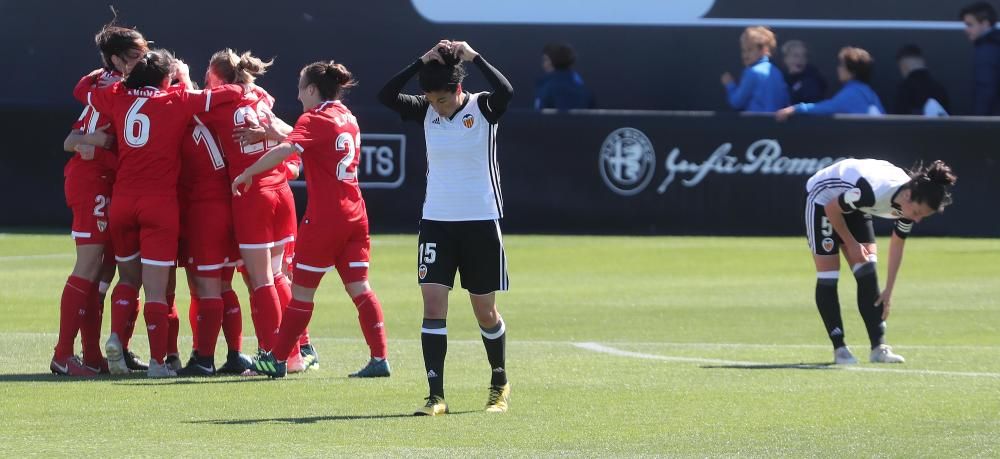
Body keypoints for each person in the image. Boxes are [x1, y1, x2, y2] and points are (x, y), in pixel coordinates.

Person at [78, 49, 242, 377]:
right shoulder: (176, 100)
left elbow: (86, 91)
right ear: (166, 78)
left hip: (123, 202)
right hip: (159, 205)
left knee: (127, 279)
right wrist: (183, 82)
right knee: (157, 289)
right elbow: (232, 92)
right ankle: (158, 362)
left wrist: (114, 72)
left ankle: (115, 339)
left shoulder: (118, 97)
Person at [378, 40, 513, 416]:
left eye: (442, 99)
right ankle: (435, 395)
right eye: (431, 100)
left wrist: (476, 57)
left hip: (480, 221)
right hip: (437, 222)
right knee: (433, 304)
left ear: (457, 90)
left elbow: (508, 91)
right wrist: (420, 61)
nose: (436, 106)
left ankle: (499, 383)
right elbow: (386, 94)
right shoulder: (425, 111)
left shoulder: (483, 106)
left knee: (485, 311)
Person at [233, 60, 391, 379]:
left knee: (301, 293)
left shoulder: (314, 117)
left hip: (325, 220)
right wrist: (272, 132)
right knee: (360, 288)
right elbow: (313, 141)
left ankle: (277, 359)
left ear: (311, 90)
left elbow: (288, 149)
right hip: (356, 215)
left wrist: (249, 171)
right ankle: (380, 358)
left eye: (300, 85)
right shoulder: (346, 116)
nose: (297, 93)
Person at [192, 50, 306, 373]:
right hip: (281, 189)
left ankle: (273, 354)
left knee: (261, 281)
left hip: (252, 193)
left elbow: (188, 106)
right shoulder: (260, 96)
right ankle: (294, 352)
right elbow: (294, 134)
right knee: (278, 273)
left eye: (208, 76)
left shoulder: (218, 104)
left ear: (219, 77)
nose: (205, 82)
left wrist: (185, 81)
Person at [54, 22, 150, 376]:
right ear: (116, 60)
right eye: (134, 56)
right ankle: (63, 354)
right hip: (91, 180)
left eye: (144, 53)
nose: (143, 60)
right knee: (91, 262)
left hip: (112, 183)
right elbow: (72, 139)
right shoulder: (111, 87)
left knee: (106, 270)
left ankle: (94, 355)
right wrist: (96, 142)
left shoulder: (104, 84)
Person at [803, 159, 956, 364]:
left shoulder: (909, 201)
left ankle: (879, 348)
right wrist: (852, 243)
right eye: (918, 213)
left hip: (855, 205)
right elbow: (832, 208)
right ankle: (840, 349)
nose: (917, 220)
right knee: (829, 275)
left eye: (922, 217)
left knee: (867, 271)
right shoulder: (873, 191)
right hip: (824, 198)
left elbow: (897, 244)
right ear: (908, 196)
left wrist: (888, 291)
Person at [776, 47, 884, 121]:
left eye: (842, 65)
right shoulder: (867, 91)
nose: (838, 69)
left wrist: (796, 109)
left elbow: (828, 107)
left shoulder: (853, 93)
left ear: (852, 71)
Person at [720, 26, 790, 112]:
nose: (745, 55)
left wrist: (730, 85)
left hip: (756, 123)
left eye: (750, 50)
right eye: (743, 50)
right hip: (777, 124)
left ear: (764, 50)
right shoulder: (777, 72)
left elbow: (737, 102)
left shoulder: (752, 72)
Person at [959, 2, 1000, 115]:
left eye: (970, 25)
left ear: (985, 24)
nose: (966, 30)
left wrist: (978, 121)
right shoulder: (993, 46)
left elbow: (986, 88)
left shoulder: (987, 50)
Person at [533, 42, 594, 111]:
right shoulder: (585, 90)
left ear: (551, 62)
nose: (544, 65)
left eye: (545, 60)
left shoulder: (545, 89)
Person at [893, 44, 951, 116]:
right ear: (922, 62)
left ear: (902, 65)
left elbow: (898, 120)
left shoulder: (904, 89)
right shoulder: (939, 88)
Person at [781, 39, 827, 104]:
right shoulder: (781, 78)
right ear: (785, 59)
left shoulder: (812, 80)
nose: (800, 59)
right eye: (796, 56)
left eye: (804, 56)